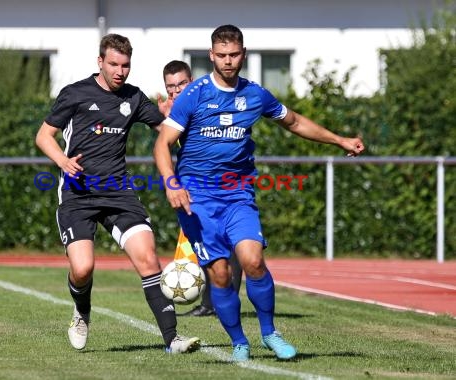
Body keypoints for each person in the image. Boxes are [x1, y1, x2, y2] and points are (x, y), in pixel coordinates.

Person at [153, 25, 365, 362]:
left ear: (243, 54)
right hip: (198, 201)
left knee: (253, 261)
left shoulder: (255, 94)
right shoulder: (193, 95)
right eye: (221, 55)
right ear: (211, 56)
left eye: (234, 55)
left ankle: (270, 333)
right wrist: (171, 182)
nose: (228, 61)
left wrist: (339, 140)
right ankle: (239, 341)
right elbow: (162, 144)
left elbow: (294, 121)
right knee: (220, 274)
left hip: (238, 195)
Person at [35, 33, 200, 354]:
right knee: (82, 269)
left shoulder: (134, 98)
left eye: (125, 65)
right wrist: (63, 161)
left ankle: (173, 339)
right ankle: (81, 312)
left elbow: (168, 133)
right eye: (113, 64)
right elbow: (44, 136)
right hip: (77, 194)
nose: (120, 71)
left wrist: (174, 115)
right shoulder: (75, 93)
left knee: (149, 259)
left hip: (118, 193)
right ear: (100, 62)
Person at [161, 60, 242, 317]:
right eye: (170, 87)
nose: (176, 91)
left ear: (192, 81)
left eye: (182, 84)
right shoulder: (179, 109)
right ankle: (211, 302)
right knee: (205, 241)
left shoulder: (206, 99)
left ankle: (221, 303)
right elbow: (169, 143)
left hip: (227, 182)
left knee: (231, 242)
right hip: (197, 185)